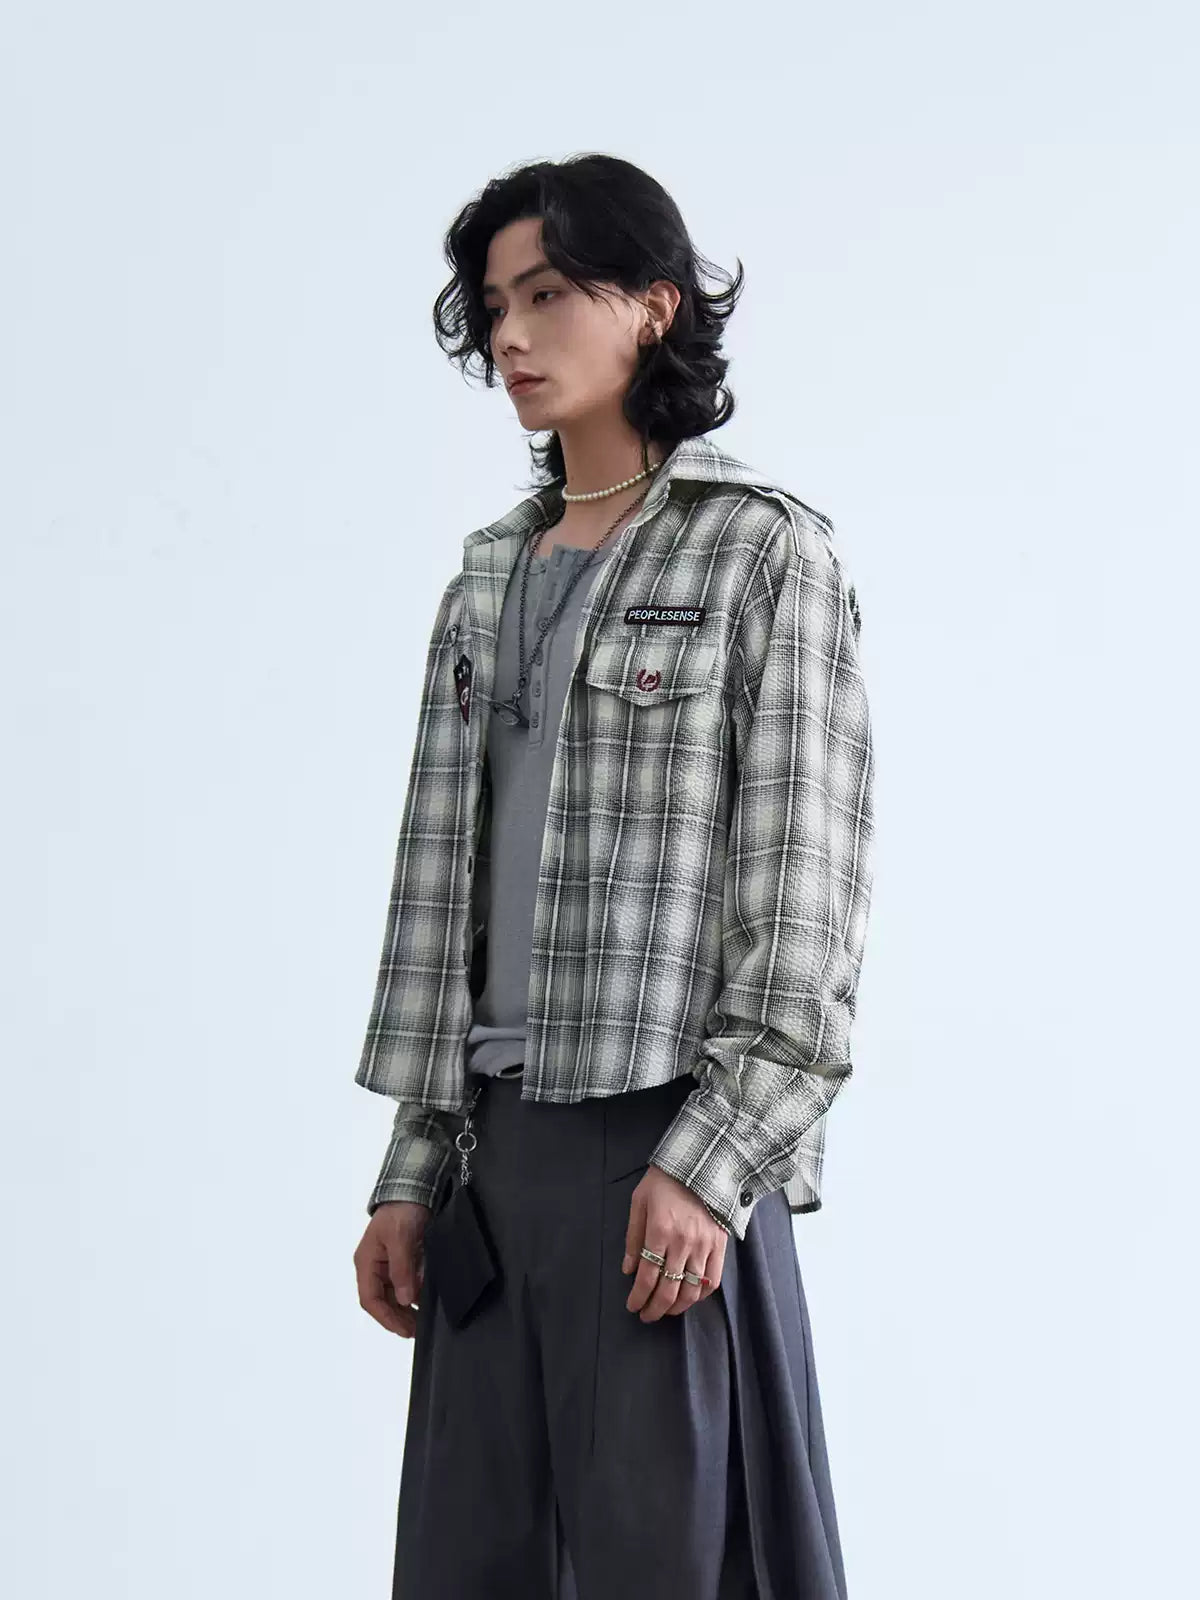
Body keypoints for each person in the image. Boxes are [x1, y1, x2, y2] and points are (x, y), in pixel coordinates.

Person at [351, 153, 876, 1600]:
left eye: (547, 296)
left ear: (653, 305)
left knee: (676, 1565)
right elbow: (444, 894)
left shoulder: (762, 554)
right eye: (492, 307)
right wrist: (413, 1166)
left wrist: (713, 1167)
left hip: (661, 1148)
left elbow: (805, 896)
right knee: (470, 1567)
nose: (510, 337)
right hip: (489, 1164)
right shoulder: (487, 577)